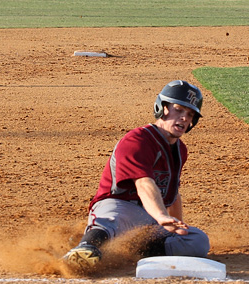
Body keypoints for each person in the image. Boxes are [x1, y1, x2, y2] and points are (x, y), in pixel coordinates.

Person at [63, 80, 210, 270]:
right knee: (112, 219)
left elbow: (173, 195)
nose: (184, 118)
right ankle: (87, 247)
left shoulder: (180, 150)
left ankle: (128, 250)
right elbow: (144, 184)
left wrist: (175, 226)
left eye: (190, 115)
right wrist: (161, 215)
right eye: (179, 110)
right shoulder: (137, 141)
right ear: (163, 108)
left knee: (197, 241)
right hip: (120, 206)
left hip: (149, 219)